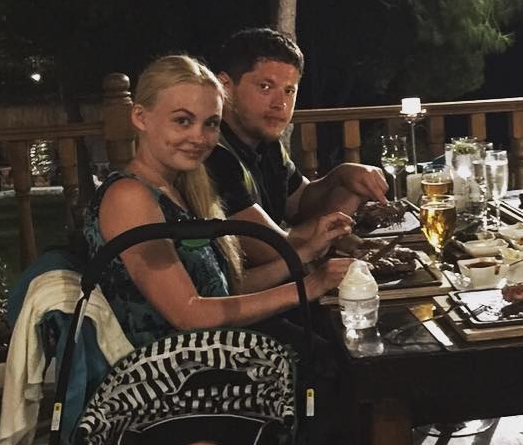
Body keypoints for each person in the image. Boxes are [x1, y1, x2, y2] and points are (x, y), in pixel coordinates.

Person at [83, 55, 354, 349]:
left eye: (211, 123)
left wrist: (305, 253)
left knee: (333, 335)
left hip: (213, 349)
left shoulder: (179, 189)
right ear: (140, 117)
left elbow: (224, 289)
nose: (199, 137)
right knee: (331, 349)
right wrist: (309, 287)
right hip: (180, 368)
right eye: (183, 121)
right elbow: (189, 314)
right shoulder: (129, 196)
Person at [204, 28, 388, 267]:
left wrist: (342, 176)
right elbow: (271, 249)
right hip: (248, 287)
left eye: (289, 90)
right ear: (225, 86)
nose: (281, 103)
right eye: (265, 87)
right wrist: (338, 215)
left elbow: (300, 203)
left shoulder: (267, 143)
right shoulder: (212, 153)